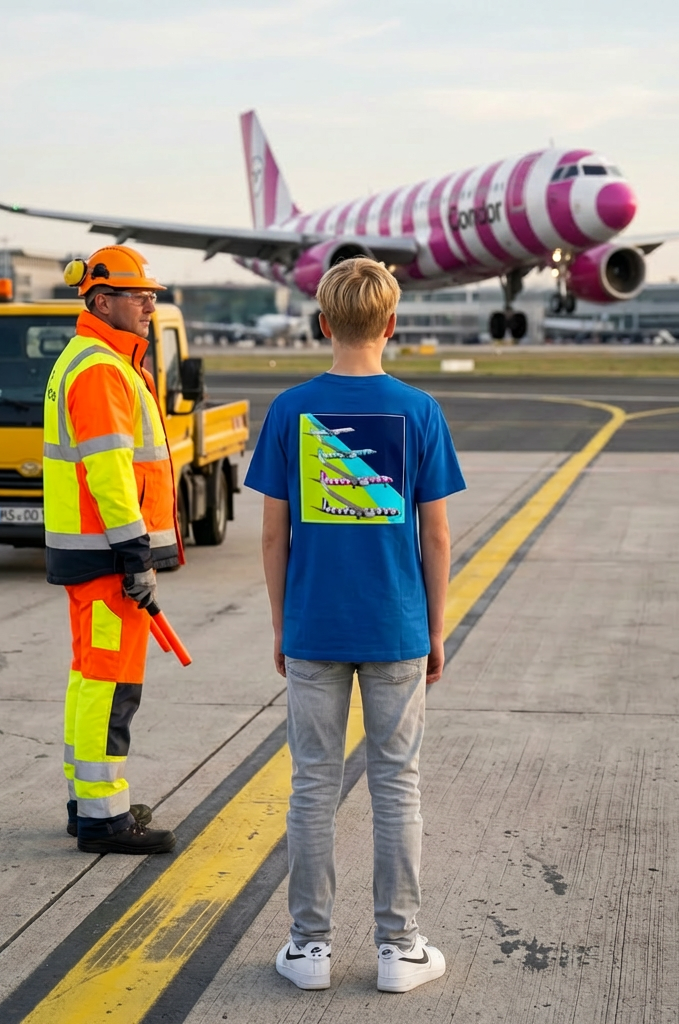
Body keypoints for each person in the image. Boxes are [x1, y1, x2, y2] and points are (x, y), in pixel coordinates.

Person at [245, 257, 465, 993]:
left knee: (311, 784)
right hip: (397, 625)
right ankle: (399, 949)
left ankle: (309, 949)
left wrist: (282, 623)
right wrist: (435, 629)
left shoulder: (288, 410)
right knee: (397, 785)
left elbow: (274, 536)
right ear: (393, 324)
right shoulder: (420, 410)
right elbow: (436, 536)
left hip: (314, 625)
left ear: (322, 321)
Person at [43, 244, 184, 855]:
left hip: (90, 554)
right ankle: (105, 819)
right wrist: (136, 555)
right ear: (101, 300)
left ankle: (86, 802)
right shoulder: (101, 368)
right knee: (112, 683)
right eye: (138, 294)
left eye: (152, 294)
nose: (150, 304)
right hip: (107, 556)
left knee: (89, 679)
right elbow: (110, 472)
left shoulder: (92, 359)